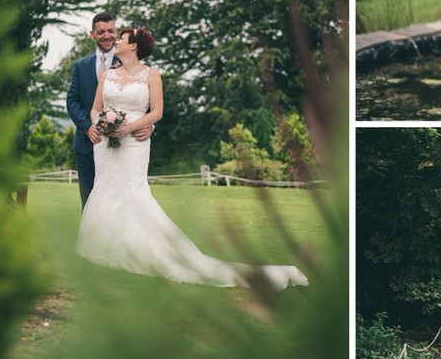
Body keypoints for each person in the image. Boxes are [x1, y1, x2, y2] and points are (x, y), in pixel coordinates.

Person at [75, 27, 308, 290]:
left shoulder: (151, 75)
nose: (116, 41)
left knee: (132, 192)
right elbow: (95, 109)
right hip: (105, 146)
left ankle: (145, 252)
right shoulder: (106, 75)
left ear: (134, 46)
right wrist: (100, 124)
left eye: (122, 39)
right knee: (105, 190)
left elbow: (158, 111)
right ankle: (107, 250)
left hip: (134, 144)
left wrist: (129, 127)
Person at [67, 13, 153, 208]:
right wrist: (88, 128)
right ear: (92, 35)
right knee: (90, 202)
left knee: (126, 201)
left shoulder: (132, 61)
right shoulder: (81, 66)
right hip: (88, 144)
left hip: (127, 145)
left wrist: (151, 126)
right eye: (101, 32)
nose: (107, 36)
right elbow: (72, 101)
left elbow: (147, 101)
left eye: (111, 31)